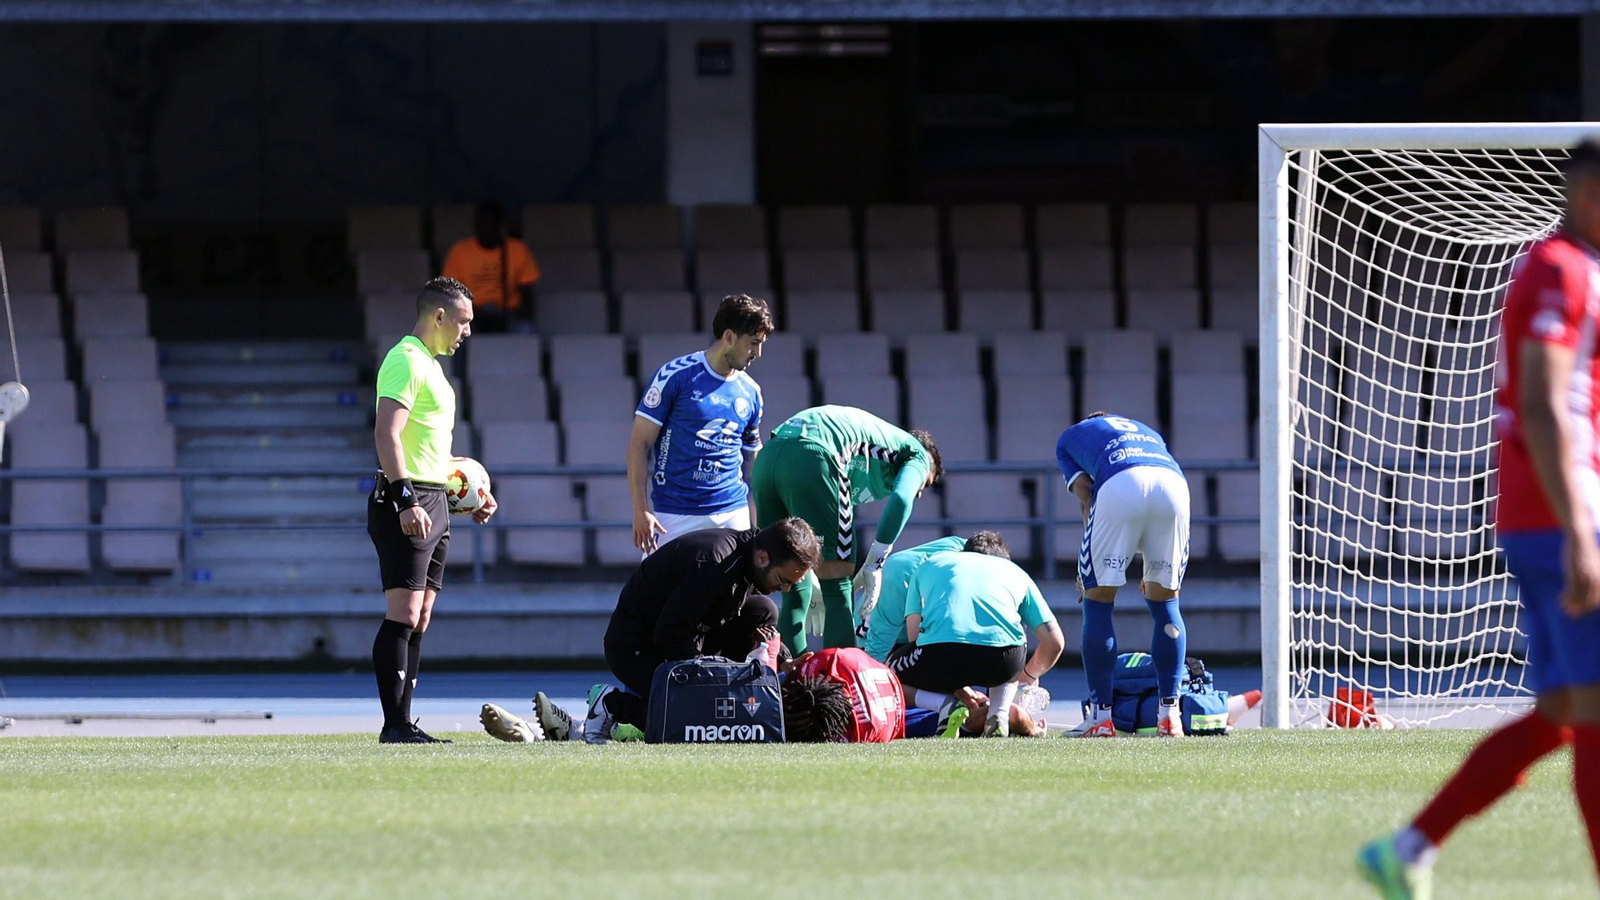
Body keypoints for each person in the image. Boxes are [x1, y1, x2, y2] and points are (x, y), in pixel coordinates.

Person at [1359, 137, 1600, 900]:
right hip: (1560, 516)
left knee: (1564, 712)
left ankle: (1409, 847)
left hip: (1554, 513)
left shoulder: (1572, 266)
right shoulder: (1563, 270)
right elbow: (1542, 400)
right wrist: (1581, 531)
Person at [550, 520, 819, 744]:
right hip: (636, 647)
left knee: (764, 609)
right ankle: (611, 703)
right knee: (703, 720)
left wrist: (781, 656)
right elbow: (669, 634)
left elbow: (753, 616)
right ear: (763, 558)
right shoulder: (714, 564)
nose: (784, 589)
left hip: (684, 635)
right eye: (783, 580)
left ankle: (698, 702)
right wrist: (710, 682)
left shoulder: (749, 559)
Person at [368, 276, 497, 744]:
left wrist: (470, 491)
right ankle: (394, 725)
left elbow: (428, 450)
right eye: (463, 321)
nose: (466, 331)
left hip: (433, 498)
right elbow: (387, 434)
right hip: (407, 501)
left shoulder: (432, 367)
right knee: (402, 613)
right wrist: (405, 498)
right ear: (439, 316)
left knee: (420, 615)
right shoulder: (404, 361)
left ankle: (405, 721)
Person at [750, 405, 943, 653]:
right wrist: (876, 560)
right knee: (838, 586)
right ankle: (837, 687)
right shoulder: (916, 453)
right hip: (816, 455)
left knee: (793, 582)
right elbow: (903, 499)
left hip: (769, 456)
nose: (919, 492)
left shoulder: (869, 459)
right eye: (924, 483)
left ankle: (787, 681)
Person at [1056, 412, 1190, 738]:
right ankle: (1169, 716)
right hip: (1174, 486)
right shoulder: (1148, 432)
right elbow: (1149, 497)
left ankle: (1101, 719)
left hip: (1121, 483)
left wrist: (1086, 571)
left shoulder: (1070, 439)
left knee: (1098, 602)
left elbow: (1088, 494)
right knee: (1167, 605)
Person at [630, 294, 773, 555]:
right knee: (656, 595)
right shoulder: (675, 376)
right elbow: (639, 444)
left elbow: (752, 462)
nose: (758, 353)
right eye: (753, 343)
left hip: (732, 512)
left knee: (736, 595)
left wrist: (760, 524)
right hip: (672, 515)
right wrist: (641, 511)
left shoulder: (751, 391)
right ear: (729, 337)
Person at [887, 540, 1064, 737]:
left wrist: (956, 689)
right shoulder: (1014, 571)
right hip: (1004, 660)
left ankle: (944, 705)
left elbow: (915, 637)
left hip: (939, 654)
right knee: (1012, 639)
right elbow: (1055, 642)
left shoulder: (931, 564)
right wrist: (1027, 676)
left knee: (886, 676)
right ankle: (999, 714)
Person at [859, 530, 1007, 664]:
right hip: (880, 637)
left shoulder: (976, 550)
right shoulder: (899, 576)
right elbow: (875, 655)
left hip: (920, 631)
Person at [439, 199, 539, 333]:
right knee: (455, 333)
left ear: (500, 225)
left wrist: (518, 315)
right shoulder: (460, 251)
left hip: (508, 313)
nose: (485, 227)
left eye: (490, 222)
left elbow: (527, 292)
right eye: (481, 222)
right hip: (472, 315)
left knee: (525, 329)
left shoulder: (517, 250)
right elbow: (450, 294)